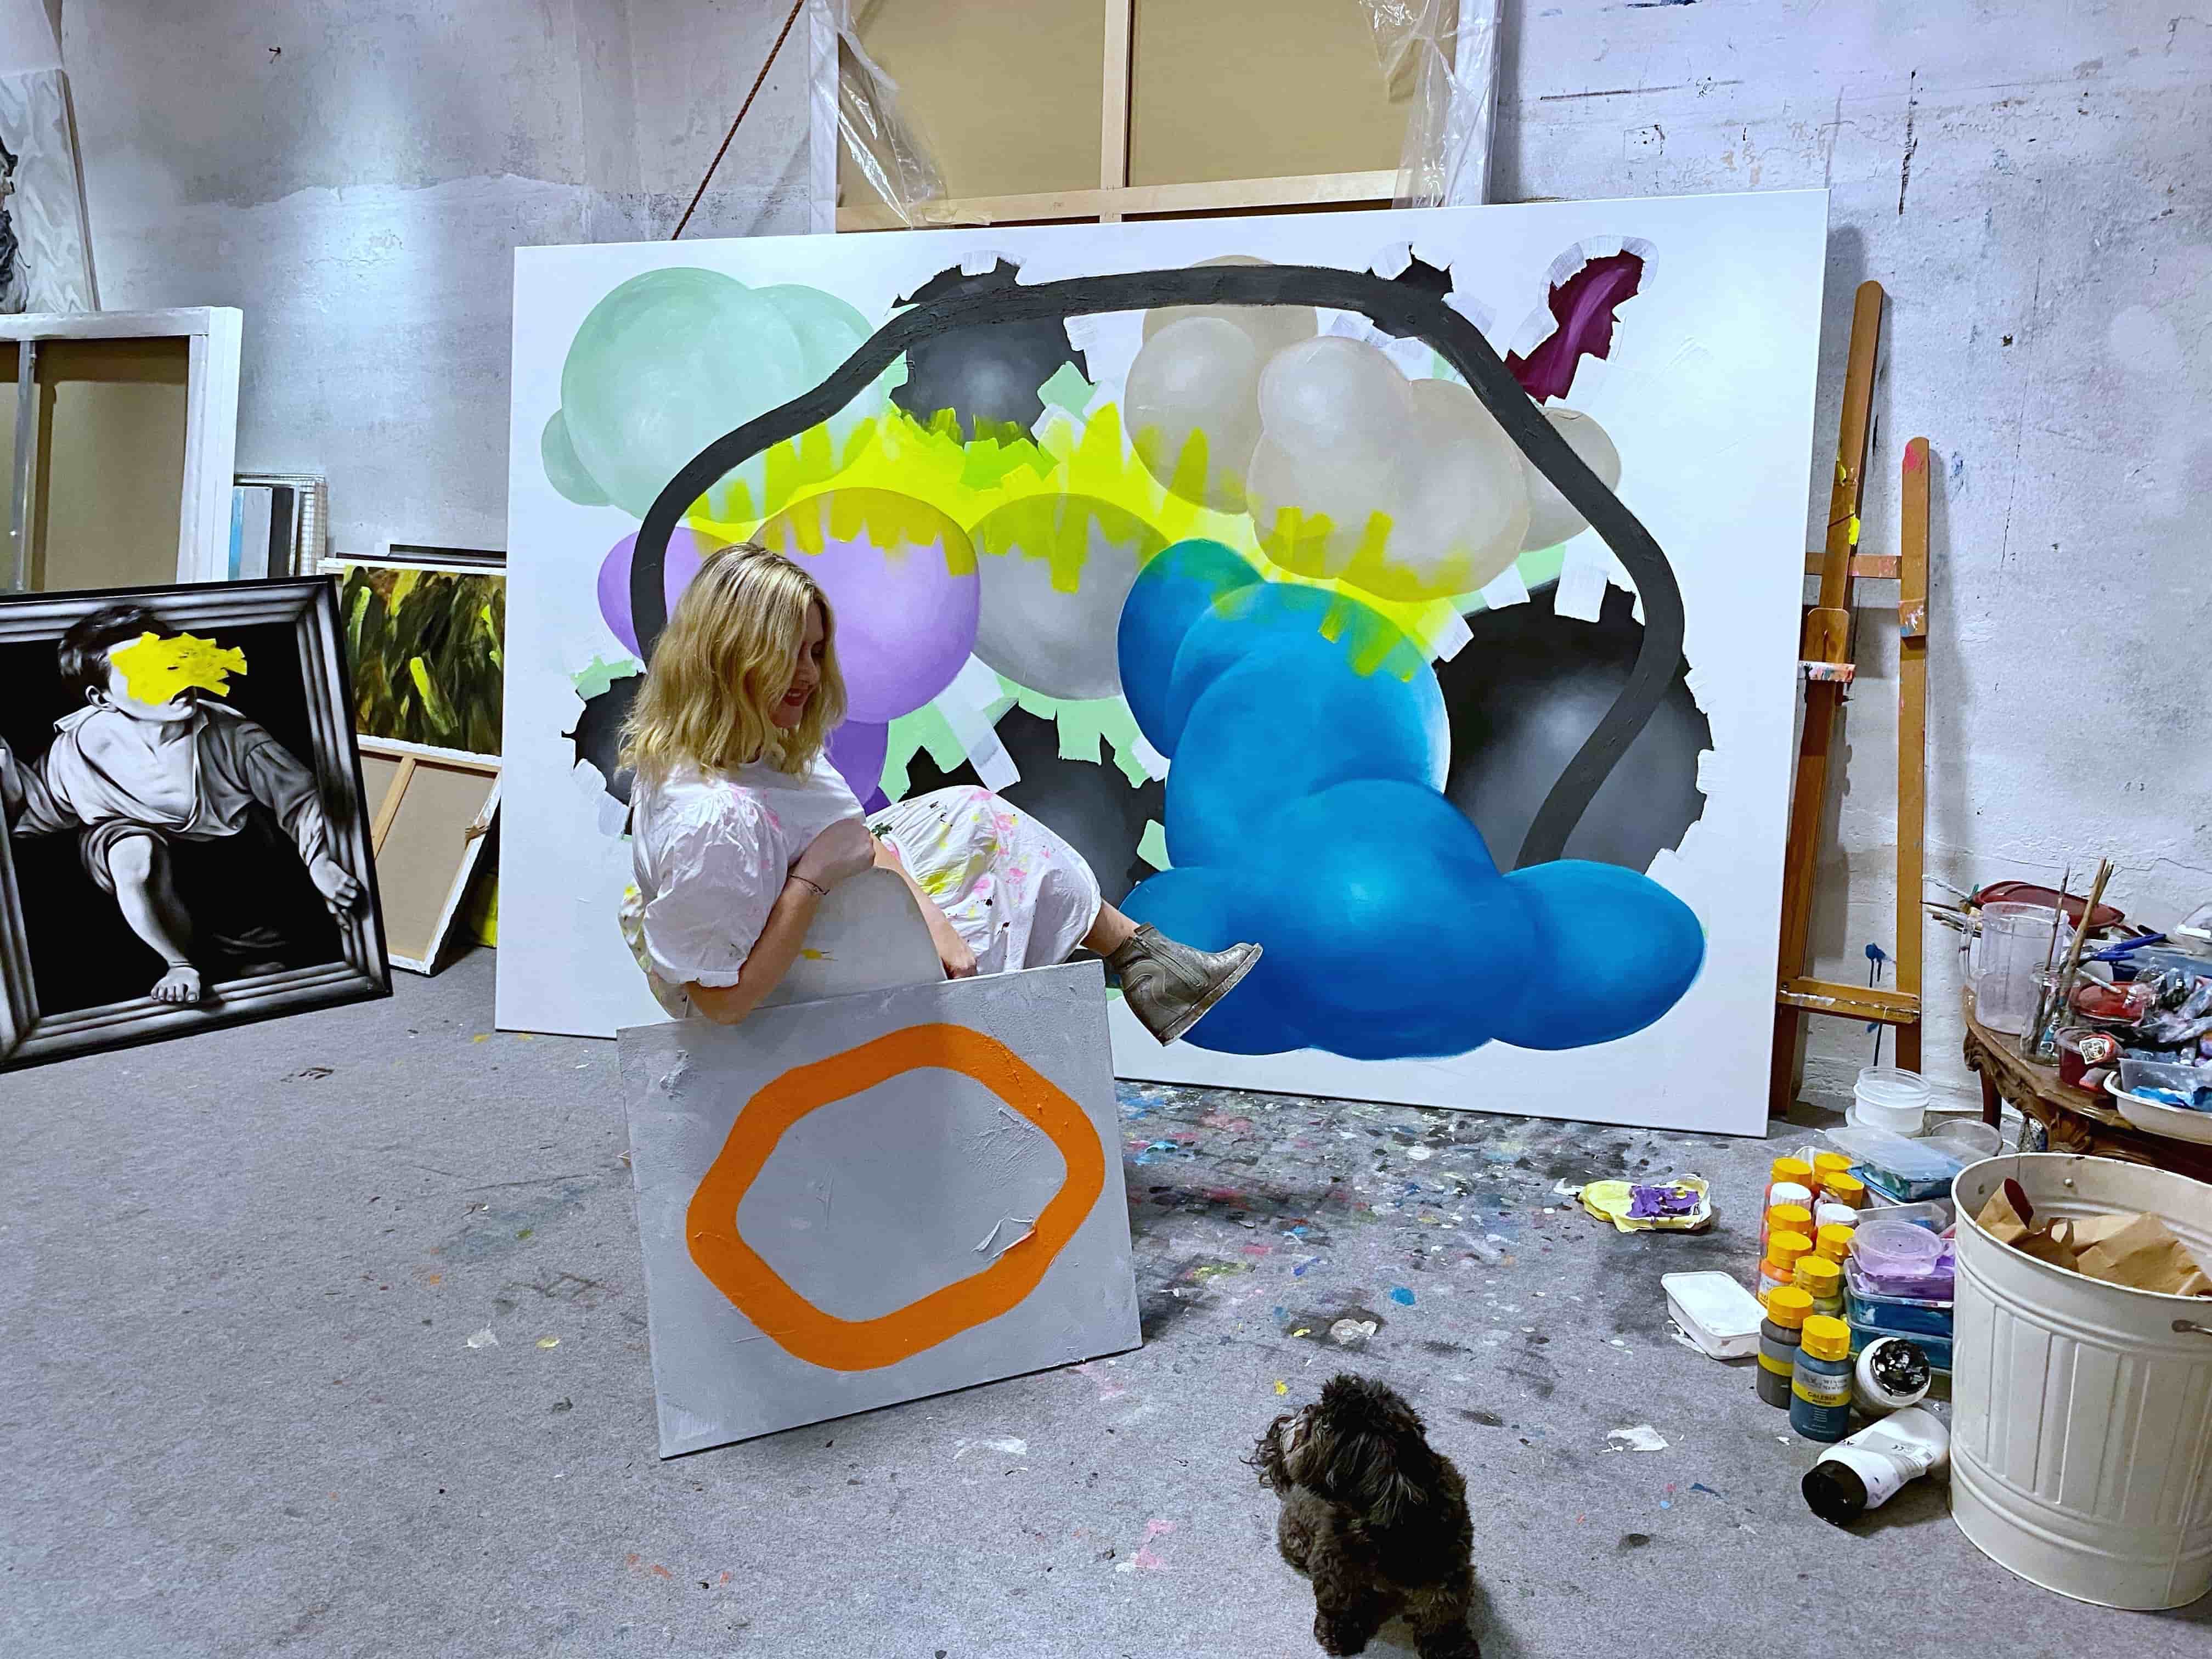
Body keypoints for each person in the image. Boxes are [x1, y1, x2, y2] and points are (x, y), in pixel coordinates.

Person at [616, 544, 1259, 1041]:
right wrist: (813, 879)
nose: (810, 675)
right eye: (790, 652)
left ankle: (1145, 959)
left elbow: (853, 839)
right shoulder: (715, 819)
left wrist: (937, 926)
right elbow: (721, 1003)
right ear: (731, 655)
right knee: (998, 884)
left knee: (974, 818)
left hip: (809, 926)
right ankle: (1143, 970)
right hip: (767, 992)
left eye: (815, 651)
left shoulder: (758, 748)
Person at [0, 603, 361, 1005]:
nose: (173, 679)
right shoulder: (81, 745)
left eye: (173, 661)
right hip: (138, 859)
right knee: (132, 851)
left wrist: (320, 862)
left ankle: (248, 957)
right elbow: (40, 809)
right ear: (101, 698)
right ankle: (177, 963)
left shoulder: (234, 735)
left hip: (229, 857)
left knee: (264, 960)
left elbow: (300, 797)